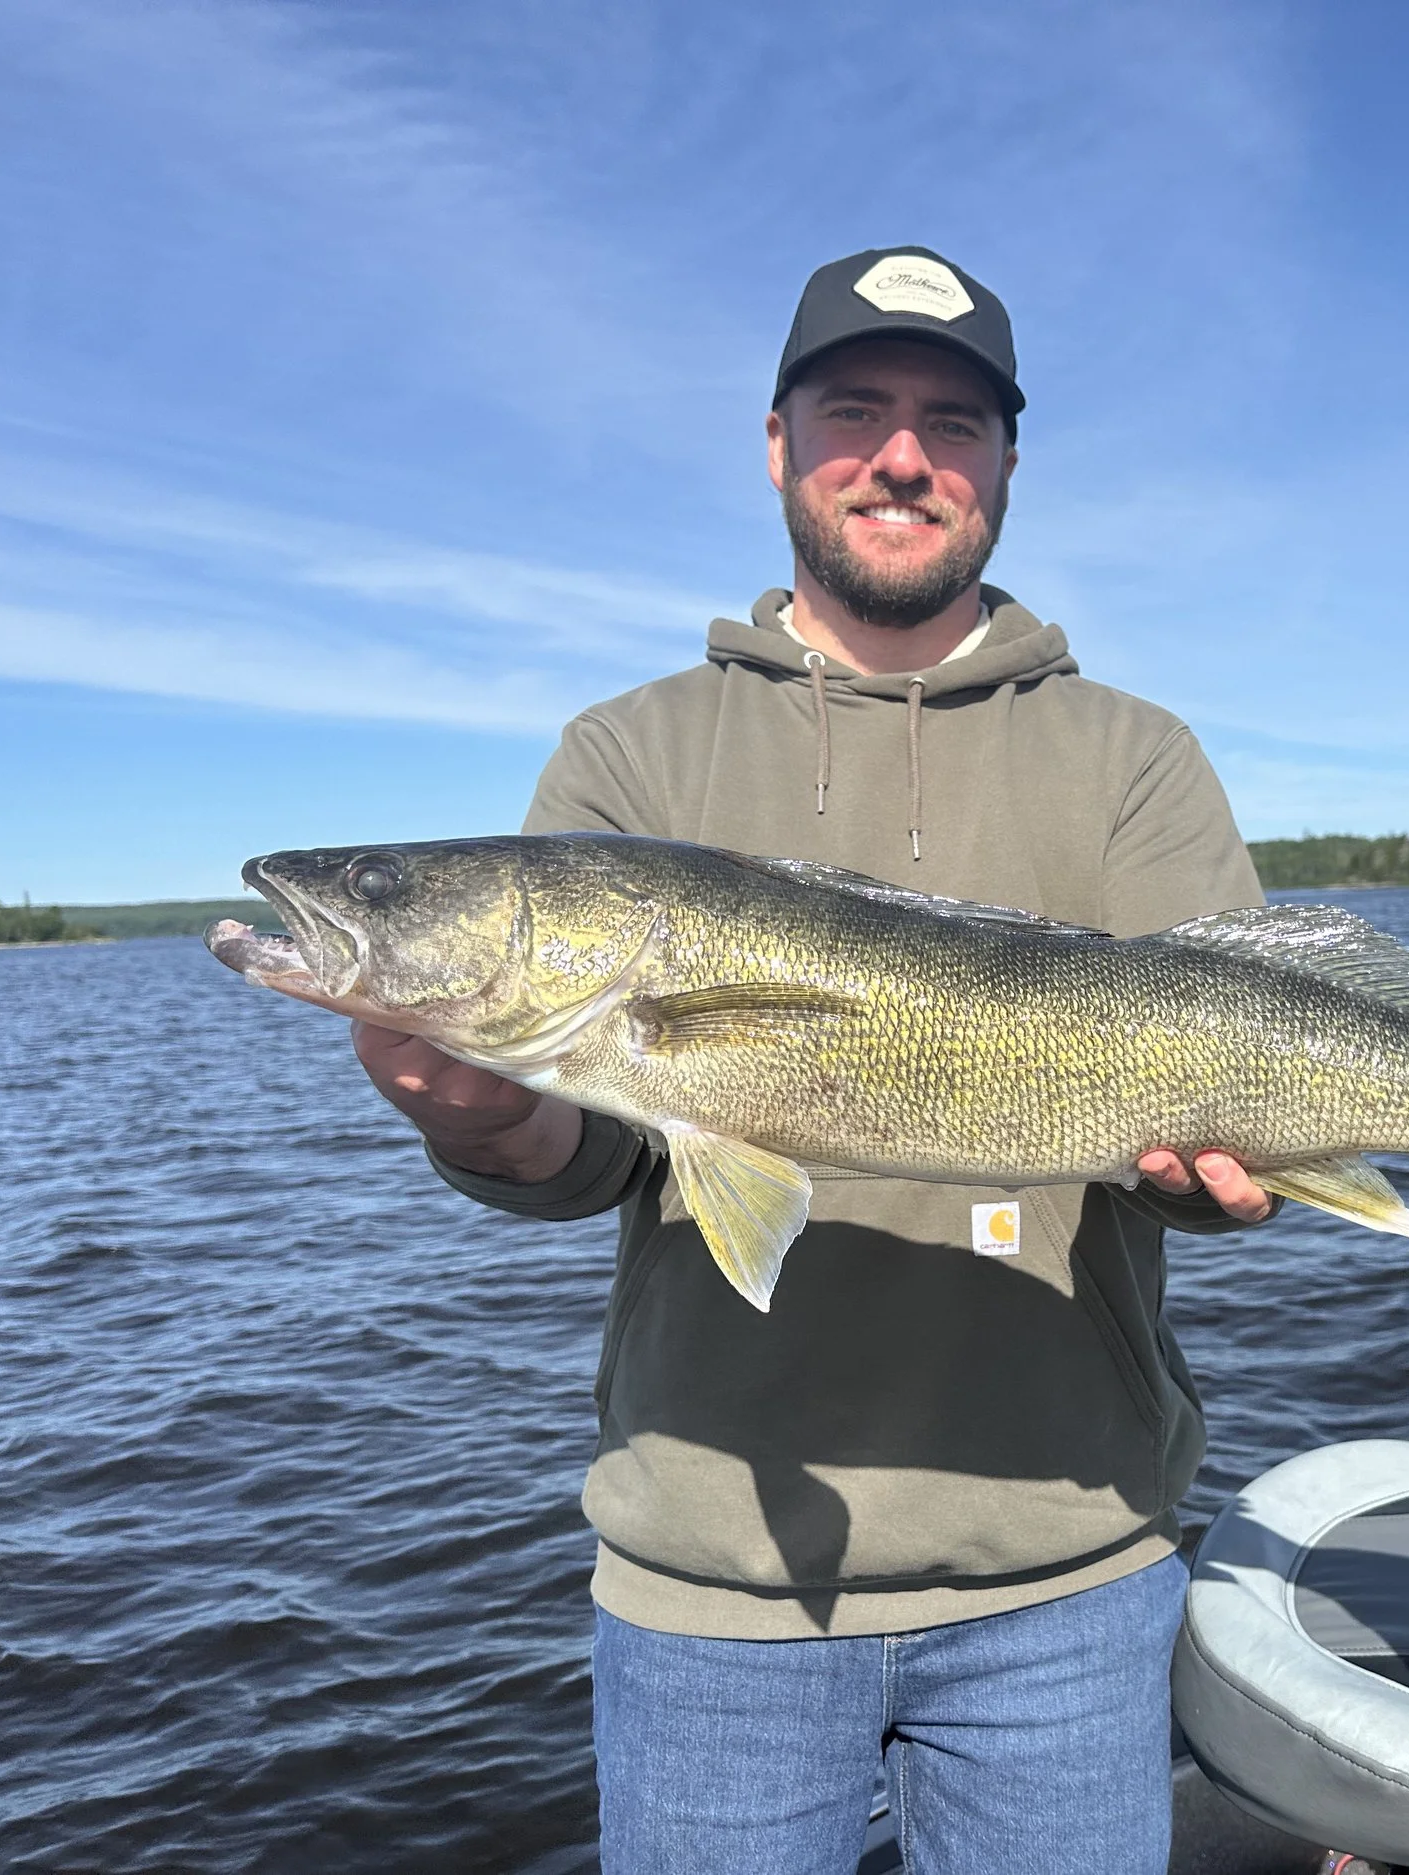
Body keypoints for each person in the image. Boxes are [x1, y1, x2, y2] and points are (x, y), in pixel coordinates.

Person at [351, 246, 1274, 1874]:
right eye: (855, 411)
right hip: (712, 1583)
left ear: (1002, 464)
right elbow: (604, 1154)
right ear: (777, 444)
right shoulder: (631, 756)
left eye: (952, 422)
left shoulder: (1136, 755)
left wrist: (1229, 1185)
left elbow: (1208, 1167)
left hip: (1073, 1562)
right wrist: (489, 1124)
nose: (902, 456)